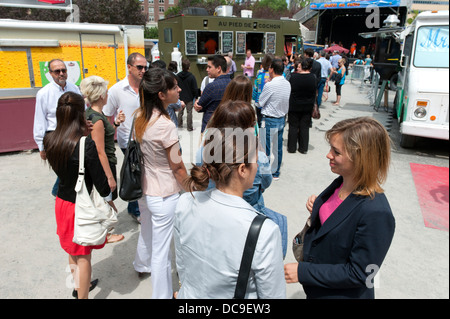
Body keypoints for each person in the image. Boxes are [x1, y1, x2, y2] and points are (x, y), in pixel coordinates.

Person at [174, 100, 285, 299]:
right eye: (254, 162)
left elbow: (182, 263)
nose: (258, 165)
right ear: (242, 169)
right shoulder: (264, 231)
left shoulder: (184, 202)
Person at [284, 117, 395, 299]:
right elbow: (337, 220)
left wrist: (303, 272)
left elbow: (361, 273)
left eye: (336, 152)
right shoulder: (341, 182)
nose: (328, 155)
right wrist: (318, 206)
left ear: (361, 158)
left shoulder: (377, 212)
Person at [43, 92, 112, 299]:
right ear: (82, 113)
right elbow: (100, 180)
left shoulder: (50, 139)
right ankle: (82, 295)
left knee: (72, 251)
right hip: (80, 206)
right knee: (84, 256)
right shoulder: (85, 144)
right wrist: (109, 200)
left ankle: (77, 286)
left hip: (62, 202)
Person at [133, 67, 188, 299]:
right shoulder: (165, 125)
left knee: (148, 234)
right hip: (164, 193)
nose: (179, 89)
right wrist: (192, 187)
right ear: (161, 95)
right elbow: (177, 165)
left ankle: (140, 264)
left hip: (145, 187)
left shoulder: (140, 116)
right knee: (162, 252)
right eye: (174, 87)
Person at [103, 52, 148, 222]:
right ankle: (135, 209)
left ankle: (135, 205)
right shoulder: (116, 90)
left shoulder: (147, 87)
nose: (143, 70)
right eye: (139, 67)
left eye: (145, 67)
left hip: (147, 139)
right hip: (128, 142)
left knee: (143, 174)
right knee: (135, 173)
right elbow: (107, 116)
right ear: (129, 67)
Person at [80, 75, 125, 244]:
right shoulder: (97, 119)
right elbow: (100, 151)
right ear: (100, 96)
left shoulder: (93, 114)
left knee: (105, 199)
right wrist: (110, 176)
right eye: (106, 92)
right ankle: (105, 233)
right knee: (105, 198)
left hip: (103, 162)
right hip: (103, 164)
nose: (108, 95)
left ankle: (105, 230)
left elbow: (105, 136)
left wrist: (117, 124)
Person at [33, 59, 82, 196]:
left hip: (73, 135)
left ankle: (60, 193)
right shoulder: (44, 93)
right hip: (55, 136)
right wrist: (41, 146)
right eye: (57, 71)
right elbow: (39, 120)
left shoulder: (74, 88)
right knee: (65, 168)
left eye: (63, 70)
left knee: (73, 167)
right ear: (50, 73)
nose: (61, 73)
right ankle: (59, 193)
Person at [259, 58, 291, 180]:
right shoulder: (287, 83)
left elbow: (260, 102)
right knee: (277, 147)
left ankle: (265, 172)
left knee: (265, 147)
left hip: (269, 118)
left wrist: (267, 84)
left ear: (272, 69)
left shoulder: (270, 85)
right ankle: (275, 172)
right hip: (281, 118)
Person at [194, 55, 231, 133]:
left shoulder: (211, 87)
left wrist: (196, 104)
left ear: (218, 68)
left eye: (209, 67)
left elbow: (199, 107)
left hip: (210, 128)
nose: (207, 70)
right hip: (229, 127)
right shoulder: (233, 84)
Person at [287, 58, 317, 155]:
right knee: (304, 127)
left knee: (293, 127)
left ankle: (292, 147)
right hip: (307, 106)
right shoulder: (313, 77)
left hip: (294, 105)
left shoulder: (293, 77)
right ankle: (303, 148)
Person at [252, 53, 274, 127]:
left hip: (259, 102)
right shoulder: (274, 75)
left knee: (260, 123)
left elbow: (255, 88)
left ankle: (261, 137)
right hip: (270, 103)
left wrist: (254, 98)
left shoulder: (259, 73)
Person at [177, 59, 198, 131]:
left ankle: (179, 125)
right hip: (189, 98)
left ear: (181, 67)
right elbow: (195, 88)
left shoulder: (177, 76)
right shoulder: (192, 77)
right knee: (189, 112)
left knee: (180, 112)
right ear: (189, 67)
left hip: (180, 97)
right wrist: (196, 97)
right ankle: (189, 127)